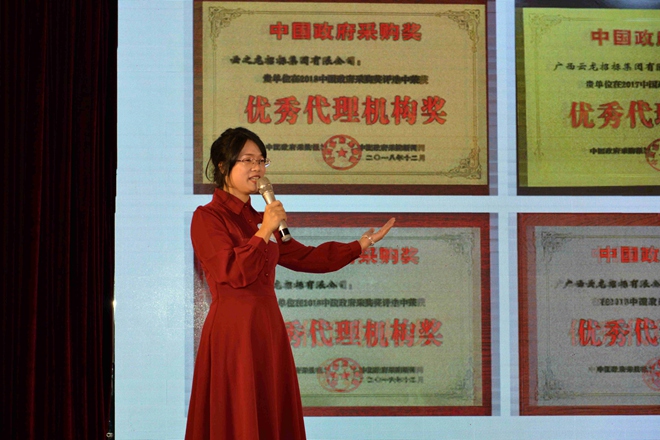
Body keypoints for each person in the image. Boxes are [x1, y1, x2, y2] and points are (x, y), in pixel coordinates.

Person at [185, 127, 395, 440]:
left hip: (267, 326)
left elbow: (305, 257)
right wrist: (264, 231)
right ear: (222, 165)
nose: (257, 168)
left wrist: (360, 245)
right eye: (247, 160)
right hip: (234, 331)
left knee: (269, 412)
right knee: (237, 414)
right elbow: (231, 272)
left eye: (261, 161)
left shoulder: (259, 218)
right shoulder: (208, 217)